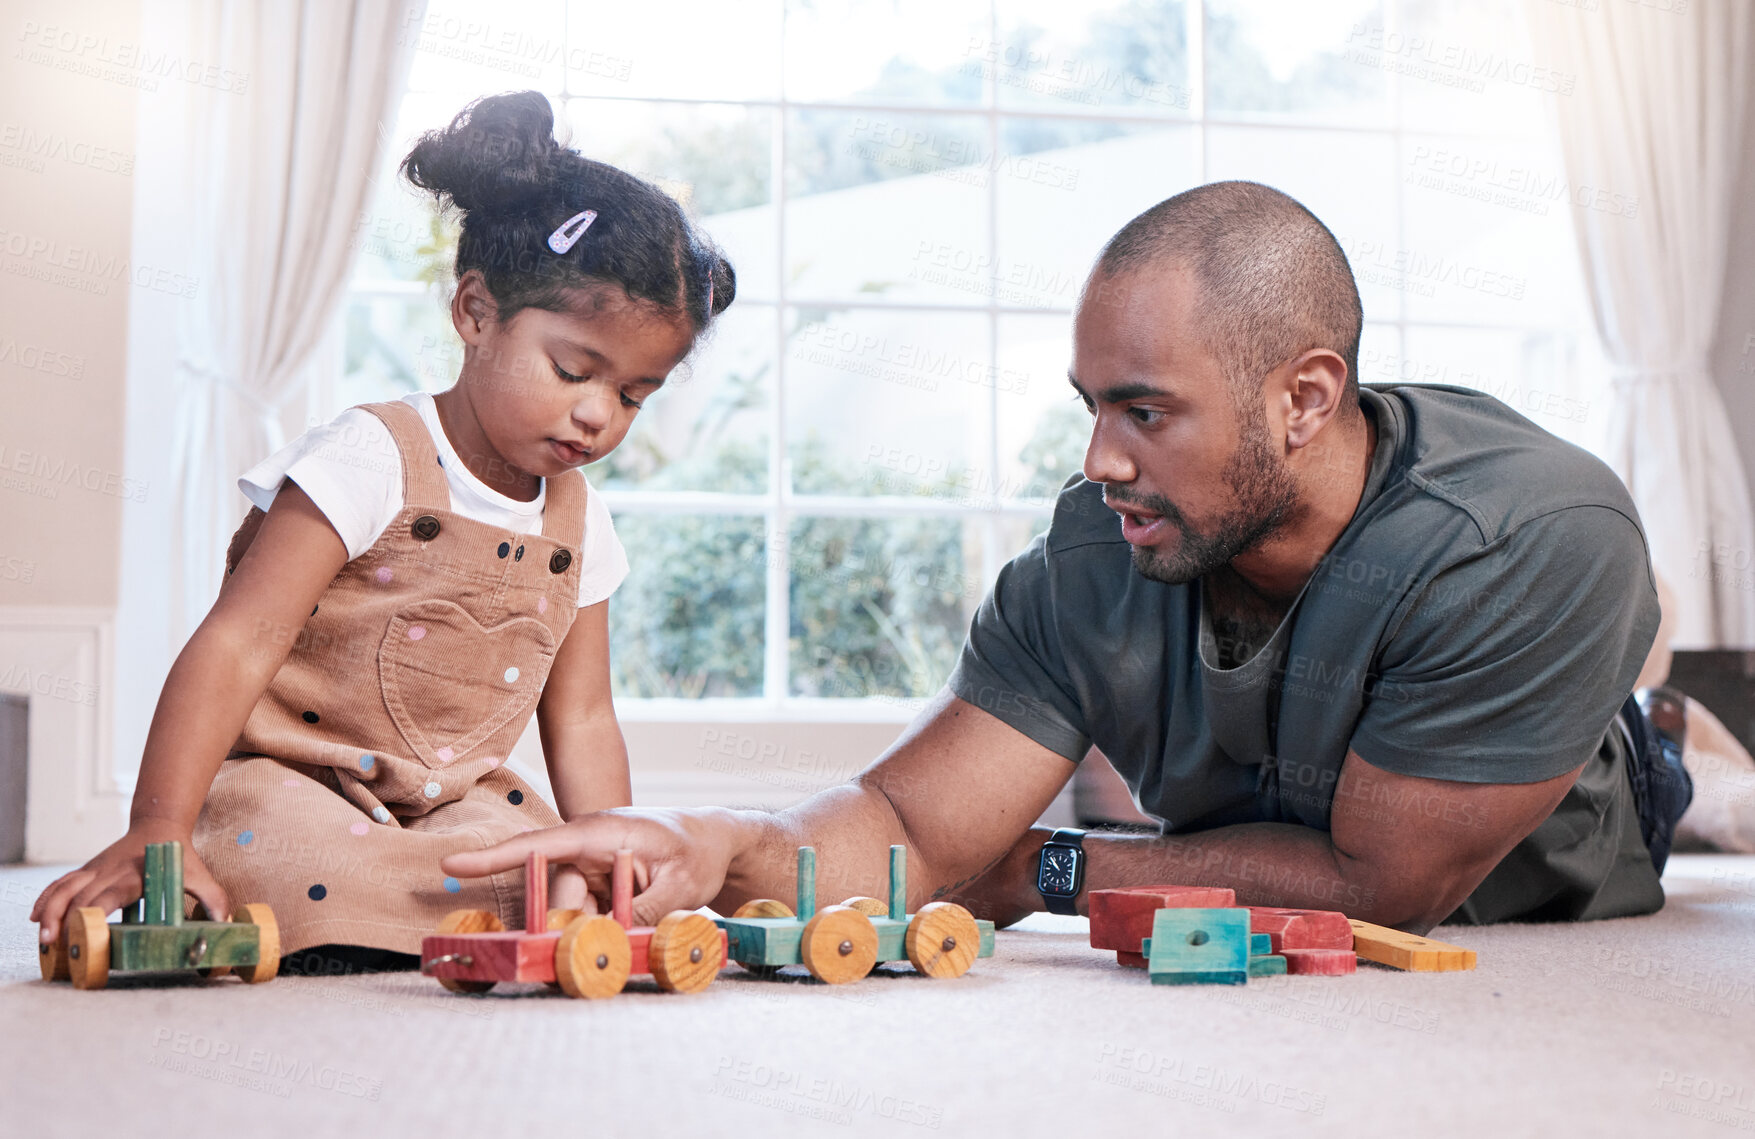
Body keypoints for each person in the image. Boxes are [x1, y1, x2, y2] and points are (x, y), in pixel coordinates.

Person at [439, 181, 1690, 936]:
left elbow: (1382, 884)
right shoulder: (1099, 547)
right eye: (1090, 404)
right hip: (1257, 792)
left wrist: (1042, 866)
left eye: (1144, 411)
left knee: (1642, 726)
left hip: (1558, 836)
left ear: (1305, 398)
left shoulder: (1530, 536)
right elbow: (904, 828)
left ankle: (1668, 713)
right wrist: (716, 841)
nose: (1099, 458)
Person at [31, 91, 736, 966]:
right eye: (571, 370)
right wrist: (157, 830)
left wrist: (607, 853)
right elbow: (237, 642)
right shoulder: (368, 457)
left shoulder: (578, 520)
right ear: (475, 313)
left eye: (634, 395)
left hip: (451, 801)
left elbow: (585, 716)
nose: (598, 415)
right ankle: (382, 917)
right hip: (298, 785)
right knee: (285, 863)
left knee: (539, 864)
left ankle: (461, 917)